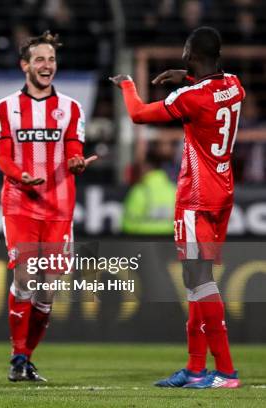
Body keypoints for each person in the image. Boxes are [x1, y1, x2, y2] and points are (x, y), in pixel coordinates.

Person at [110, 26, 244, 389]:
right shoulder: (234, 84)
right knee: (194, 282)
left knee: (200, 280)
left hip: (196, 197)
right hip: (222, 192)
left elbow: (138, 114)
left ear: (190, 54)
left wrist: (126, 85)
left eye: (185, 51)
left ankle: (226, 372)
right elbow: (209, 85)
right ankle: (195, 368)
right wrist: (184, 77)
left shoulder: (191, 98)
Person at [0, 31, 96, 382]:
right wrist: (21, 174)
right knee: (23, 277)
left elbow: (74, 150)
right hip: (20, 202)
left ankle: (26, 356)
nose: (46, 65)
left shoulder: (71, 108)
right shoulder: (5, 108)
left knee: (48, 288)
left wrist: (77, 162)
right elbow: (3, 157)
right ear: (25, 65)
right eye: (39, 59)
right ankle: (18, 357)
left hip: (59, 206)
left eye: (51, 59)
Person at [122, 141, 176, 235]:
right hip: (170, 245)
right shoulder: (175, 190)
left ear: (146, 167)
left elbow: (127, 225)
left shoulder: (140, 191)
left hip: (143, 243)